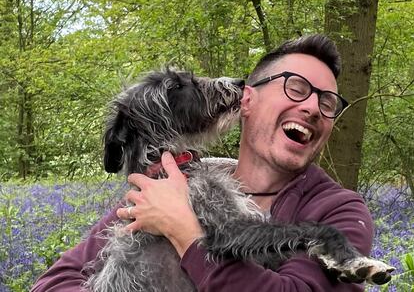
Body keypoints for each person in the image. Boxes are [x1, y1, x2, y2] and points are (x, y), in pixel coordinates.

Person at [31, 34, 374, 292]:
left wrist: (184, 233)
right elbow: (53, 283)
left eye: (327, 102)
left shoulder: (338, 209)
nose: (313, 108)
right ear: (247, 98)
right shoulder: (160, 188)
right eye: (296, 88)